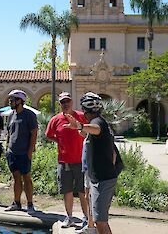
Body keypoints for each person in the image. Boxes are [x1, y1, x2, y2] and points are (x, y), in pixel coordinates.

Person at [64, 92, 118, 234]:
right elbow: (91, 134)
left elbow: (96, 129)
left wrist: (80, 126)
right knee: (101, 221)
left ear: (85, 110)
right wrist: (79, 129)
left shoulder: (97, 123)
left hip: (103, 179)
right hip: (101, 178)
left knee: (100, 222)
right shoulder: (99, 122)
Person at [45, 92, 89, 228]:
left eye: (67, 101)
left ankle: (87, 218)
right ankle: (69, 217)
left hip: (82, 161)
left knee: (83, 191)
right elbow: (48, 135)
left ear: (72, 102)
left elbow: (90, 132)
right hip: (64, 162)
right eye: (63, 102)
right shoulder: (55, 119)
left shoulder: (81, 117)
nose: (65, 104)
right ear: (60, 104)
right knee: (67, 190)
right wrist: (59, 141)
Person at [5, 89, 38, 214]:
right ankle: (16, 203)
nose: (10, 102)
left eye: (12, 100)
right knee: (16, 177)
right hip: (12, 153)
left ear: (20, 101)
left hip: (24, 153)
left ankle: (30, 204)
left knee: (27, 178)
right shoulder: (11, 115)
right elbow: (9, 133)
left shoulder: (29, 115)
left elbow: (34, 133)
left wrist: (30, 151)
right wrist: (7, 147)